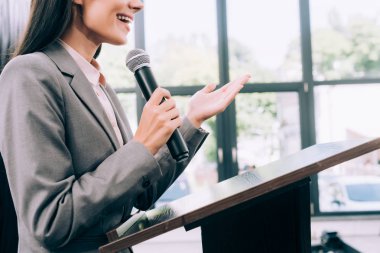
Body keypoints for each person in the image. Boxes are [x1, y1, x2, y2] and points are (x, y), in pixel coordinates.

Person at [0, 0, 250, 252]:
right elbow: (49, 221)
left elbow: (142, 193)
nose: (138, 4)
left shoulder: (99, 85)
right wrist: (142, 145)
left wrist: (192, 120)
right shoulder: (28, 73)